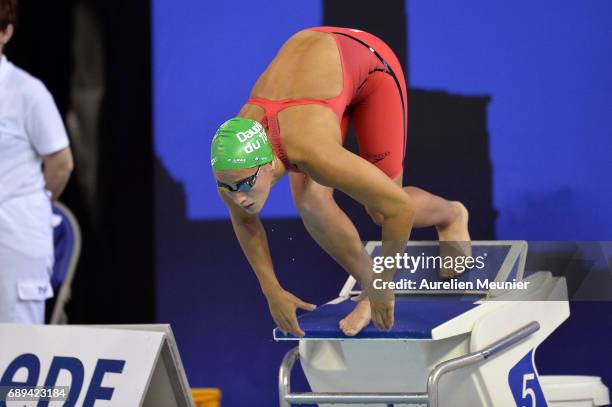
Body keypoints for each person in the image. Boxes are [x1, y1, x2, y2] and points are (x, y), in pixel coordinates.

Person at [211, 27, 470, 337]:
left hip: (370, 66)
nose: (239, 198)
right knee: (310, 202)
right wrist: (272, 290)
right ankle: (367, 286)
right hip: (318, 80)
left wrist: (384, 284)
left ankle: (452, 215)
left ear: (267, 163)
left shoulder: (311, 152)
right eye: (228, 189)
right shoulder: (232, 168)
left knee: (380, 208)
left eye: (245, 186)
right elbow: (244, 221)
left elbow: (399, 210)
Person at [0, 0, 74, 323]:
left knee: (16, 349)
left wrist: (35, 204)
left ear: (6, 32)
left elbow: (61, 164)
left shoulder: (27, 92)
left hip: (16, 241)